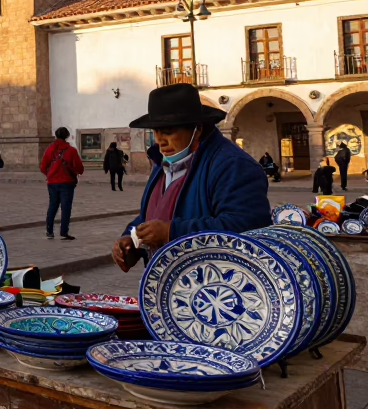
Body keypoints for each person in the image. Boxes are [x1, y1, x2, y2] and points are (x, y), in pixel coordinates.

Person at [112, 84, 270, 273]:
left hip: (215, 290)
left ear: (197, 129)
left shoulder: (232, 164)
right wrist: (132, 239)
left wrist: (171, 232)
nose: (160, 140)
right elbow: (157, 211)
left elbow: (247, 227)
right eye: (156, 132)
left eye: (168, 132)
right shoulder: (163, 159)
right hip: (168, 285)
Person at [41, 127, 84, 240]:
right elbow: (80, 168)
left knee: (52, 206)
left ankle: (49, 231)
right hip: (67, 182)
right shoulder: (71, 150)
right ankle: (64, 231)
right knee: (66, 207)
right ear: (67, 136)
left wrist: (49, 174)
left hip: (52, 183)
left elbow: (42, 166)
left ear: (56, 135)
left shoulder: (49, 149)